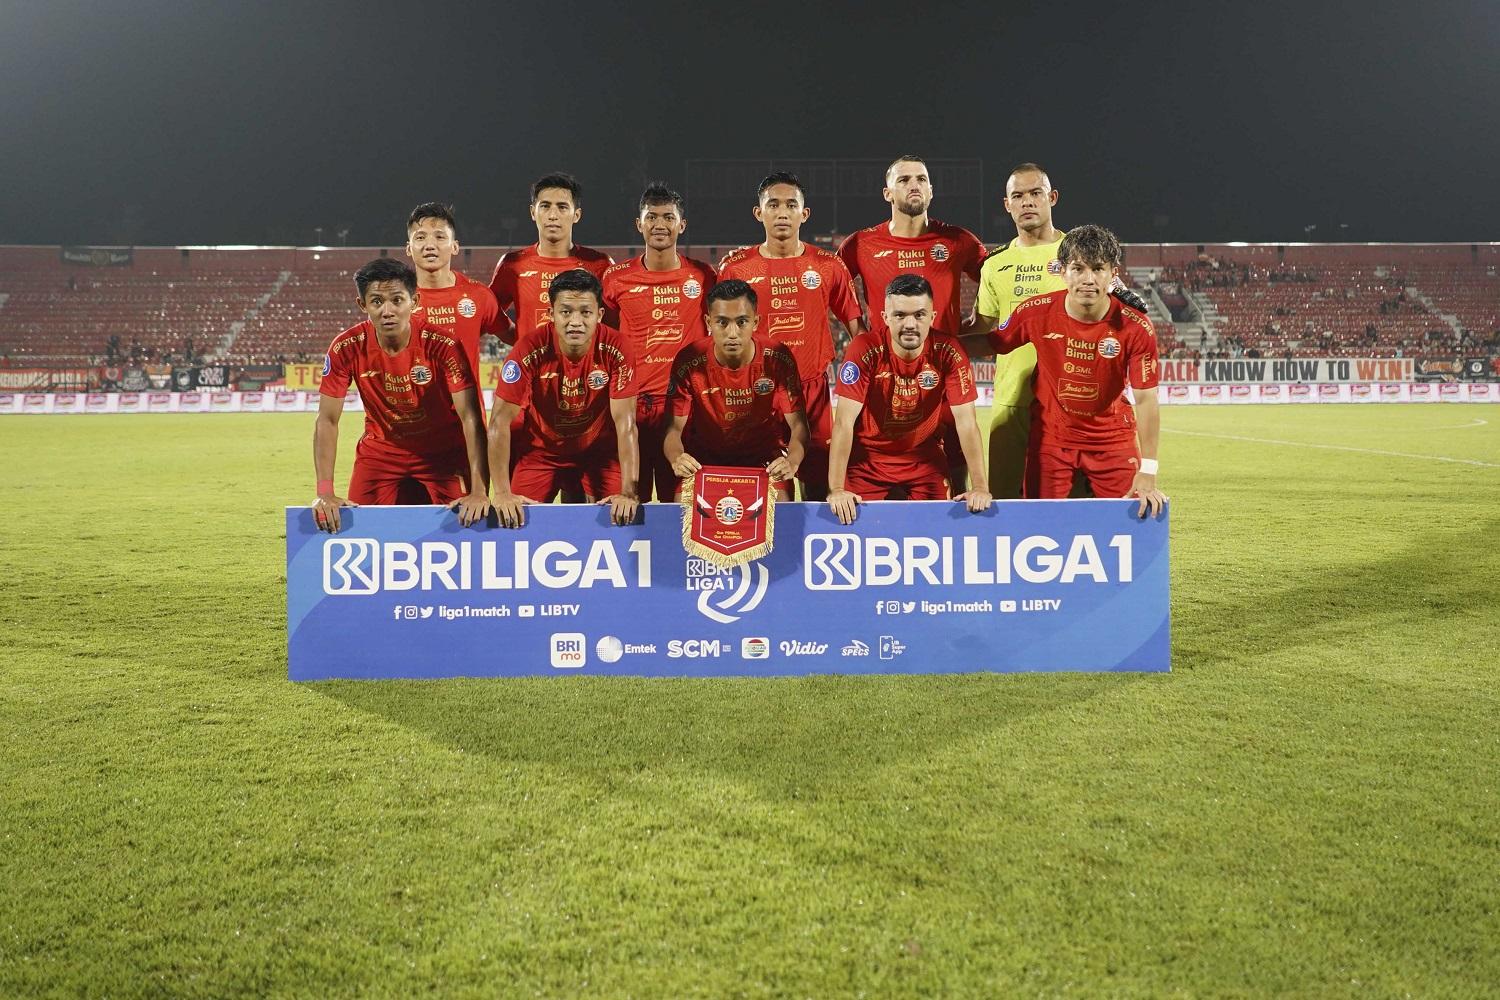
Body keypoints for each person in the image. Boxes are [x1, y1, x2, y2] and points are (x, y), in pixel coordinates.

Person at [963, 162, 1150, 498]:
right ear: (1007, 204)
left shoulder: (1080, 254)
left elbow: (1121, 313)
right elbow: (984, 331)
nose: (1027, 202)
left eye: (1036, 193)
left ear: (1052, 198)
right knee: (1005, 502)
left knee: (1072, 507)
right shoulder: (994, 264)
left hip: (1074, 409)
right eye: (1018, 196)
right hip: (1012, 401)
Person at [838, 154, 986, 493]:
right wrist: (858, 332)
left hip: (944, 374)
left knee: (955, 469)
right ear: (887, 193)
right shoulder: (861, 244)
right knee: (879, 467)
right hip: (885, 376)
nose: (913, 185)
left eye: (921, 179)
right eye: (903, 180)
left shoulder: (958, 241)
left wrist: (977, 323)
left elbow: (995, 280)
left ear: (931, 190)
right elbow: (831, 284)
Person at [312, 258, 489, 533]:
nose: (387, 311)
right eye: (377, 301)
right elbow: (327, 420)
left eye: (397, 300)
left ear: (414, 301)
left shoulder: (444, 346)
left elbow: (471, 418)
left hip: (442, 454)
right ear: (362, 305)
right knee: (359, 532)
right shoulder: (345, 347)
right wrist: (325, 492)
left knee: (465, 529)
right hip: (381, 452)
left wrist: (479, 491)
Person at [717, 172, 864, 501]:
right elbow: (717, 335)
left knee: (821, 492)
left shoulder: (828, 266)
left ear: (804, 213)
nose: (782, 212)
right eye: (773, 205)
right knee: (771, 497)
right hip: (758, 395)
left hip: (813, 393)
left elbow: (858, 331)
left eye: (791, 205)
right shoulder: (735, 268)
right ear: (759, 213)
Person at [827, 275, 991, 525]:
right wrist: (837, 489)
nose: (910, 324)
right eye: (900, 315)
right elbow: (843, 423)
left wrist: (979, 487)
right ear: (885, 317)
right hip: (868, 460)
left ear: (932, 317)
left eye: (919, 315)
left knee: (943, 527)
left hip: (924, 458)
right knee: (852, 526)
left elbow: (967, 423)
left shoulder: (949, 351)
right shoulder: (865, 349)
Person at [487, 269, 640, 527]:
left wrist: (629, 492)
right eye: (566, 312)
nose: (575, 322)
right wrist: (501, 493)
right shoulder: (529, 347)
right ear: (551, 313)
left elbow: (626, 423)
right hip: (542, 452)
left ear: (600, 315)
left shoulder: (618, 347)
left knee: (621, 519)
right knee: (513, 522)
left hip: (599, 453)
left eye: (585, 312)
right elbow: (498, 422)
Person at [602, 183, 718, 501]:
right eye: (651, 217)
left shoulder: (704, 277)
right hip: (632, 407)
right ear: (639, 224)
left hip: (685, 408)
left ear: (682, 225)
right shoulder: (615, 279)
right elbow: (607, 337)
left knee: (682, 506)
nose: (659, 224)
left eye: (668, 217)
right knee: (626, 503)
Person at [664, 280, 809, 501]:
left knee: (781, 507)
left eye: (742, 322)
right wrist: (677, 458)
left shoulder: (777, 357)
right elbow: (672, 429)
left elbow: (799, 424)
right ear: (708, 322)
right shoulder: (688, 360)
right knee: (682, 508)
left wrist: (793, 461)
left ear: (755, 322)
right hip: (704, 460)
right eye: (722, 322)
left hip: (764, 460)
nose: (732, 333)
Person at [405, 202, 509, 407]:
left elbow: (519, 338)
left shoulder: (478, 295)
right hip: (414, 421)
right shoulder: (397, 302)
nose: (430, 245)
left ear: (455, 246)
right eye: (420, 237)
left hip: (468, 424)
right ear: (409, 248)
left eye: (439, 237)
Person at [488, 173, 614, 342]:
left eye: (562, 207)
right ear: (533, 212)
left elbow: (614, 324)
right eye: (545, 206)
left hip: (583, 360)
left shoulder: (600, 265)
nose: (553, 215)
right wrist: (518, 340)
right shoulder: (513, 264)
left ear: (576, 215)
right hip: (530, 360)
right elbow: (489, 313)